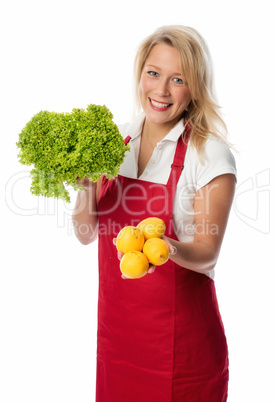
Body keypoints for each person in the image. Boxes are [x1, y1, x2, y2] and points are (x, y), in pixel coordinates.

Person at [72, 25, 237, 402]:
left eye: (177, 79)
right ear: (140, 74)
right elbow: (86, 234)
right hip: (117, 343)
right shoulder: (117, 142)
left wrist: (164, 247)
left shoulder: (208, 155)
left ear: (193, 87)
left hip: (181, 352)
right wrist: (84, 187)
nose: (161, 90)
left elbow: (208, 250)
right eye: (153, 73)